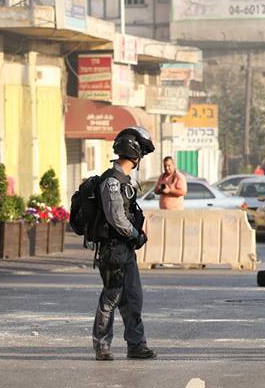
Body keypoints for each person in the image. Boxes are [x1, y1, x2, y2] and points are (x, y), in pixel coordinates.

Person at [92, 126, 157, 361]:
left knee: (133, 297)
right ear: (134, 152)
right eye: (141, 153)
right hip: (112, 249)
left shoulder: (124, 180)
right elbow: (116, 217)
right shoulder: (111, 181)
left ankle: (136, 345)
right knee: (111, 298)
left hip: (125, 249)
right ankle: (102, 345)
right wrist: (135, 234)